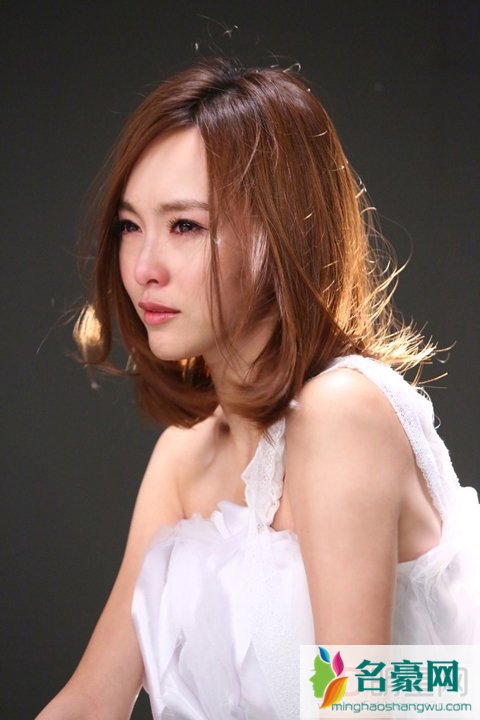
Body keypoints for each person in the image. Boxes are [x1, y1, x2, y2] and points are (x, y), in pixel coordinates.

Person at [36, 57, 479, 720]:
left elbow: (356, 702)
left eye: (185, 226)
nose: (144, 266)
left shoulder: (341, 413)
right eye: (130, 226)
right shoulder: (185, 455)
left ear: (282, 234)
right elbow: (91, 702)